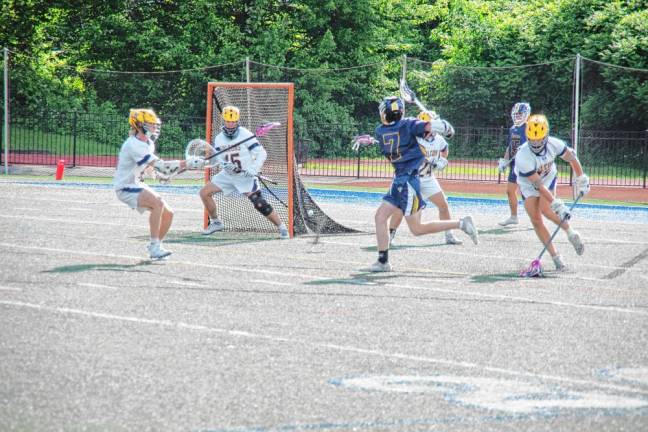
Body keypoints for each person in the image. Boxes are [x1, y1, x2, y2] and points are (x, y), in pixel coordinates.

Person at [369, 96, 479, 272]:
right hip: (403, 179)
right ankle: (383, 261)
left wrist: (437, 126)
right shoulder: (407, 124)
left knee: (416, 228)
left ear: (384, 113)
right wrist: (442, 125)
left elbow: (418, 131)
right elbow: (427, 127)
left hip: (407, 181)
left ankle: (461, 223)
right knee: (381, 218)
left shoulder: (380, 130)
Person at [199, 105, 289, 239]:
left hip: (245, 176)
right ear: (223, 120)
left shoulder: (245, 134)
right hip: (228, 175)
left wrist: (253, 169)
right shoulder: (219, 139)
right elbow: (220, 158)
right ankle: (216, 223)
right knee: (204, 193)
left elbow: (261, 153)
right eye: (228, 121)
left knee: (259, 203)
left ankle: (282, 228)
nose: (230, 124)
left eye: (233, 121)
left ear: (237, 121)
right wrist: (225, 165)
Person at [515, 114, 590, 271]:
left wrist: (581, 178)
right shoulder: (523, 156)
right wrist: (557, 203)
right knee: (536, 220)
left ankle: (570, 232)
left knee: (547, 210)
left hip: (548, 177)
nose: (535, 142)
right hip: (529, 184)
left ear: (546, 135)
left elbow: (572, 159)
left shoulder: (554, 144)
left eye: (539, 139)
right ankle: (556, 257)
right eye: (532, 139)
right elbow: (537, 185)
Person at [113, 108, 188, 259]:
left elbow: (150, 167)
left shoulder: (148, 143)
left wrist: (159, 175)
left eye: (155, 124)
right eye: (150, 124)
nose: (154, 128)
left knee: (168, 214)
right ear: (139, 125)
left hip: (136, 184)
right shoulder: (133, 144)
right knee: (158, 203)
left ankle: (156, 246)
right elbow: (162, 165)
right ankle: (154, 247)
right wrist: (188, 163)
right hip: (126, 187)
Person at [388, 110, 463, 246]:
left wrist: (442, 159)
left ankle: (449, 234)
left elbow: (445, 149)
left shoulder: (439, 139)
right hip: (411, 179)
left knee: (443, 205)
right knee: (400, 208)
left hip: (428, 178)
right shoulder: (414, 139)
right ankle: (390, 236)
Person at [498, 102, 530, 226]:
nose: (517, 116)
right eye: (516, 114)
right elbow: (510, 147)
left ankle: (536, 218)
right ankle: (513, 217)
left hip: (526, 166)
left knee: (526, 193)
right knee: (510, 191)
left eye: (520, 114)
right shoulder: (513, 129)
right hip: (514, 165)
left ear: (526, 114)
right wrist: (505, 161)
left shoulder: (529, 128)